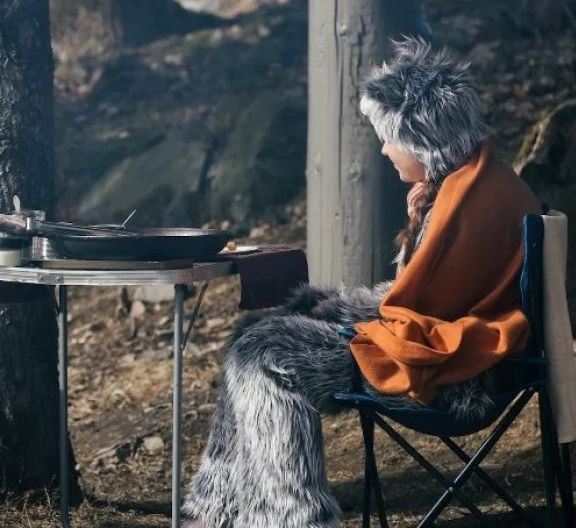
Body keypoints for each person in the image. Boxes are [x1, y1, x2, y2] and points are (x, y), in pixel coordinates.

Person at [182, 38, 540, 527]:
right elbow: (425, 299)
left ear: (422, 137)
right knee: (254, 334)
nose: (384, 149)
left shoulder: (466, 204)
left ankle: (294, 517)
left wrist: (340, 312)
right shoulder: (474, 179)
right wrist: (329, 307)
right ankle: (220, 508)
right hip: (458, 352)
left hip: (457, 374)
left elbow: (418, 313)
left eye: (389, 138)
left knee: (265, 355)